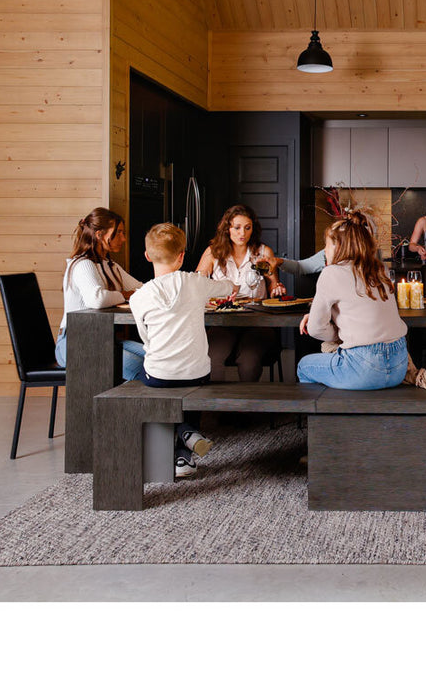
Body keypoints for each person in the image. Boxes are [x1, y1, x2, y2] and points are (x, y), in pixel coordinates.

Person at [129, 223, 237, 479]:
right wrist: (231, 288)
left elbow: (145, 339)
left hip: (159, 374)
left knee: (145, 373)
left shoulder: (139, 297)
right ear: (181, 257)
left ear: (147, 256)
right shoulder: (195, 283)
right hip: (197, 374)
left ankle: (180, 437)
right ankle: (184, 446)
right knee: (189, 383)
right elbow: (229, 286)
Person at [296, 211, 409, 390]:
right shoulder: (380, 269)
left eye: (327, 245)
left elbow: (315, 329)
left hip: (365, 368)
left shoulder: (332, 272)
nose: (324, 251)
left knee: (304, 366)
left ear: (339, 246)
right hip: (399, 365)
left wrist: (339, 332)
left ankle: (328, 416)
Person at [196, 204, 285, 382]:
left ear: (253, 228)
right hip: (223, 322)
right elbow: (197, 283)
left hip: (257, 322)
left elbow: (273, 284)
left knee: (249, 360)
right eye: (236, 228)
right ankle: (215, 407)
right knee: (212, 358)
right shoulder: (213, 252)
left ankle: (246, 409)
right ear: (227, 228)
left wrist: (277, 288)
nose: (242, 233)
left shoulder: (263, 252)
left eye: (247, 228)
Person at [56, 207, 146, 381]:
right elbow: (97, 299)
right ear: (99, 235)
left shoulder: (108, 265)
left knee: (154, 359)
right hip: (74, 342)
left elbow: (141, 288)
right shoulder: (83, 264)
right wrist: (126, 294)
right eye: (118, 232)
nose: (124, 238)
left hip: (102, 338)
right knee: (139, 368)